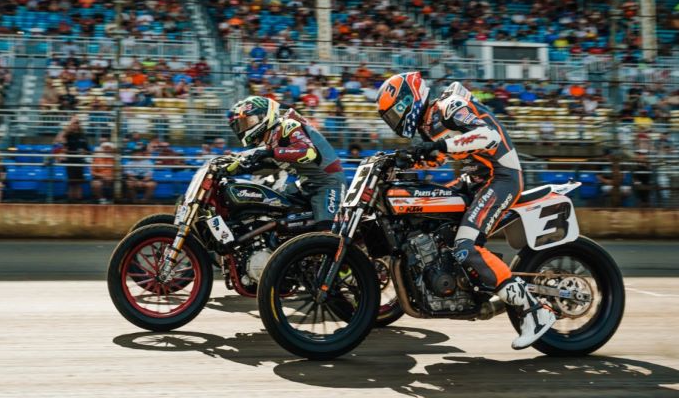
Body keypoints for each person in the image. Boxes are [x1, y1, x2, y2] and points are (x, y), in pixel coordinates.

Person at [375, 72, 556, 350]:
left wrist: (438, 146)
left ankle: (536, 311)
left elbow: (486, 135)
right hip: (476, 179)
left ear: (410, 98)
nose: (395, 120)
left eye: (396, 112)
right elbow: (434, 158)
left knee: (465, 246)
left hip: (501, 177)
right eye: (390, 117)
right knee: (433, 222)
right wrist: (399, 162)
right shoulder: (428, 125)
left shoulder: (449, 107)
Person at [228, 96, 346, 229]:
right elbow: (272, 165)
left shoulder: (287, 124)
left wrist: (271, 152)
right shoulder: (270, 138)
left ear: (263, 115)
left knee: (327, 232)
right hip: (304, 184)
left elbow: (308, 152)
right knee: (265, 204)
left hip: (328, 184)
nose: (243, 128)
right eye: (240, 125)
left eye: (247, 122)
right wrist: (239, 169)